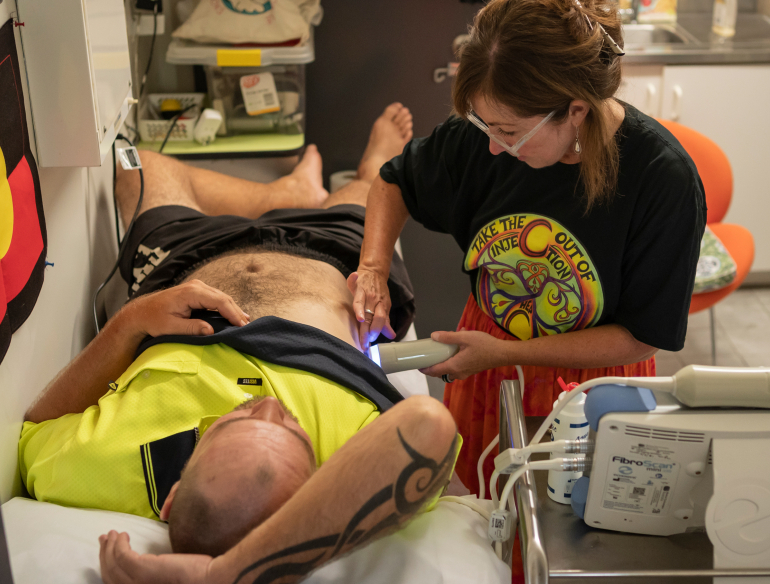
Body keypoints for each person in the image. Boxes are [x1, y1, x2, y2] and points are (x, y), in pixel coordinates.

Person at [20, 105, 461, 583]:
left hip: (187, 264)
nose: (268, 404)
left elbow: (36, 429)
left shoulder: (109, 463)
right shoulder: (349, 464)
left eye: (234, 420)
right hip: (335, 260)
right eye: (295, 432)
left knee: (138, 166)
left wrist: (130, 322)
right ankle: (342, 174)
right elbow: (428, 424)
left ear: (171, 495)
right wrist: (228, 573)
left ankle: (284, 192)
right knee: (372, 182)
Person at [349, 0, 707, 499]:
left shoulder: (660, 179)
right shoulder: (486, 134)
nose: (493, 147)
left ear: (576, 110)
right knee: (482, 515)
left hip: (593, 384)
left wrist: (508, 353)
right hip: (485, 357)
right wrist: (372, 267)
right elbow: (394, 183)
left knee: (571, 530)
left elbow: (641, 337)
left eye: (509, 133)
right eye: (483, 125)